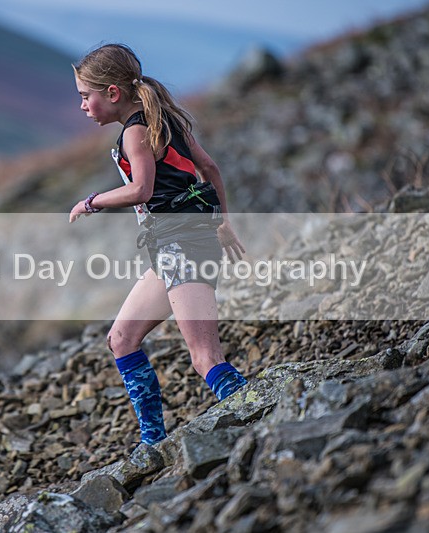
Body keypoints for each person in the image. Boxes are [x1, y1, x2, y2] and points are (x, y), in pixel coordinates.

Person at [69, 43, 248, 448]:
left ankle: (261, 412)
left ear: (113, 93)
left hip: (181, 246)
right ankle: (152, 441)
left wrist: (91, 202)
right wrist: (221, 223)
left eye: (86, 96)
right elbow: (210, 168)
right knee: (121, 339)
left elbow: (141, 190)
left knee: (205, 358)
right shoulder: (164, 120)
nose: (83, 106)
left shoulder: (136, 132)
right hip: (176, 248)